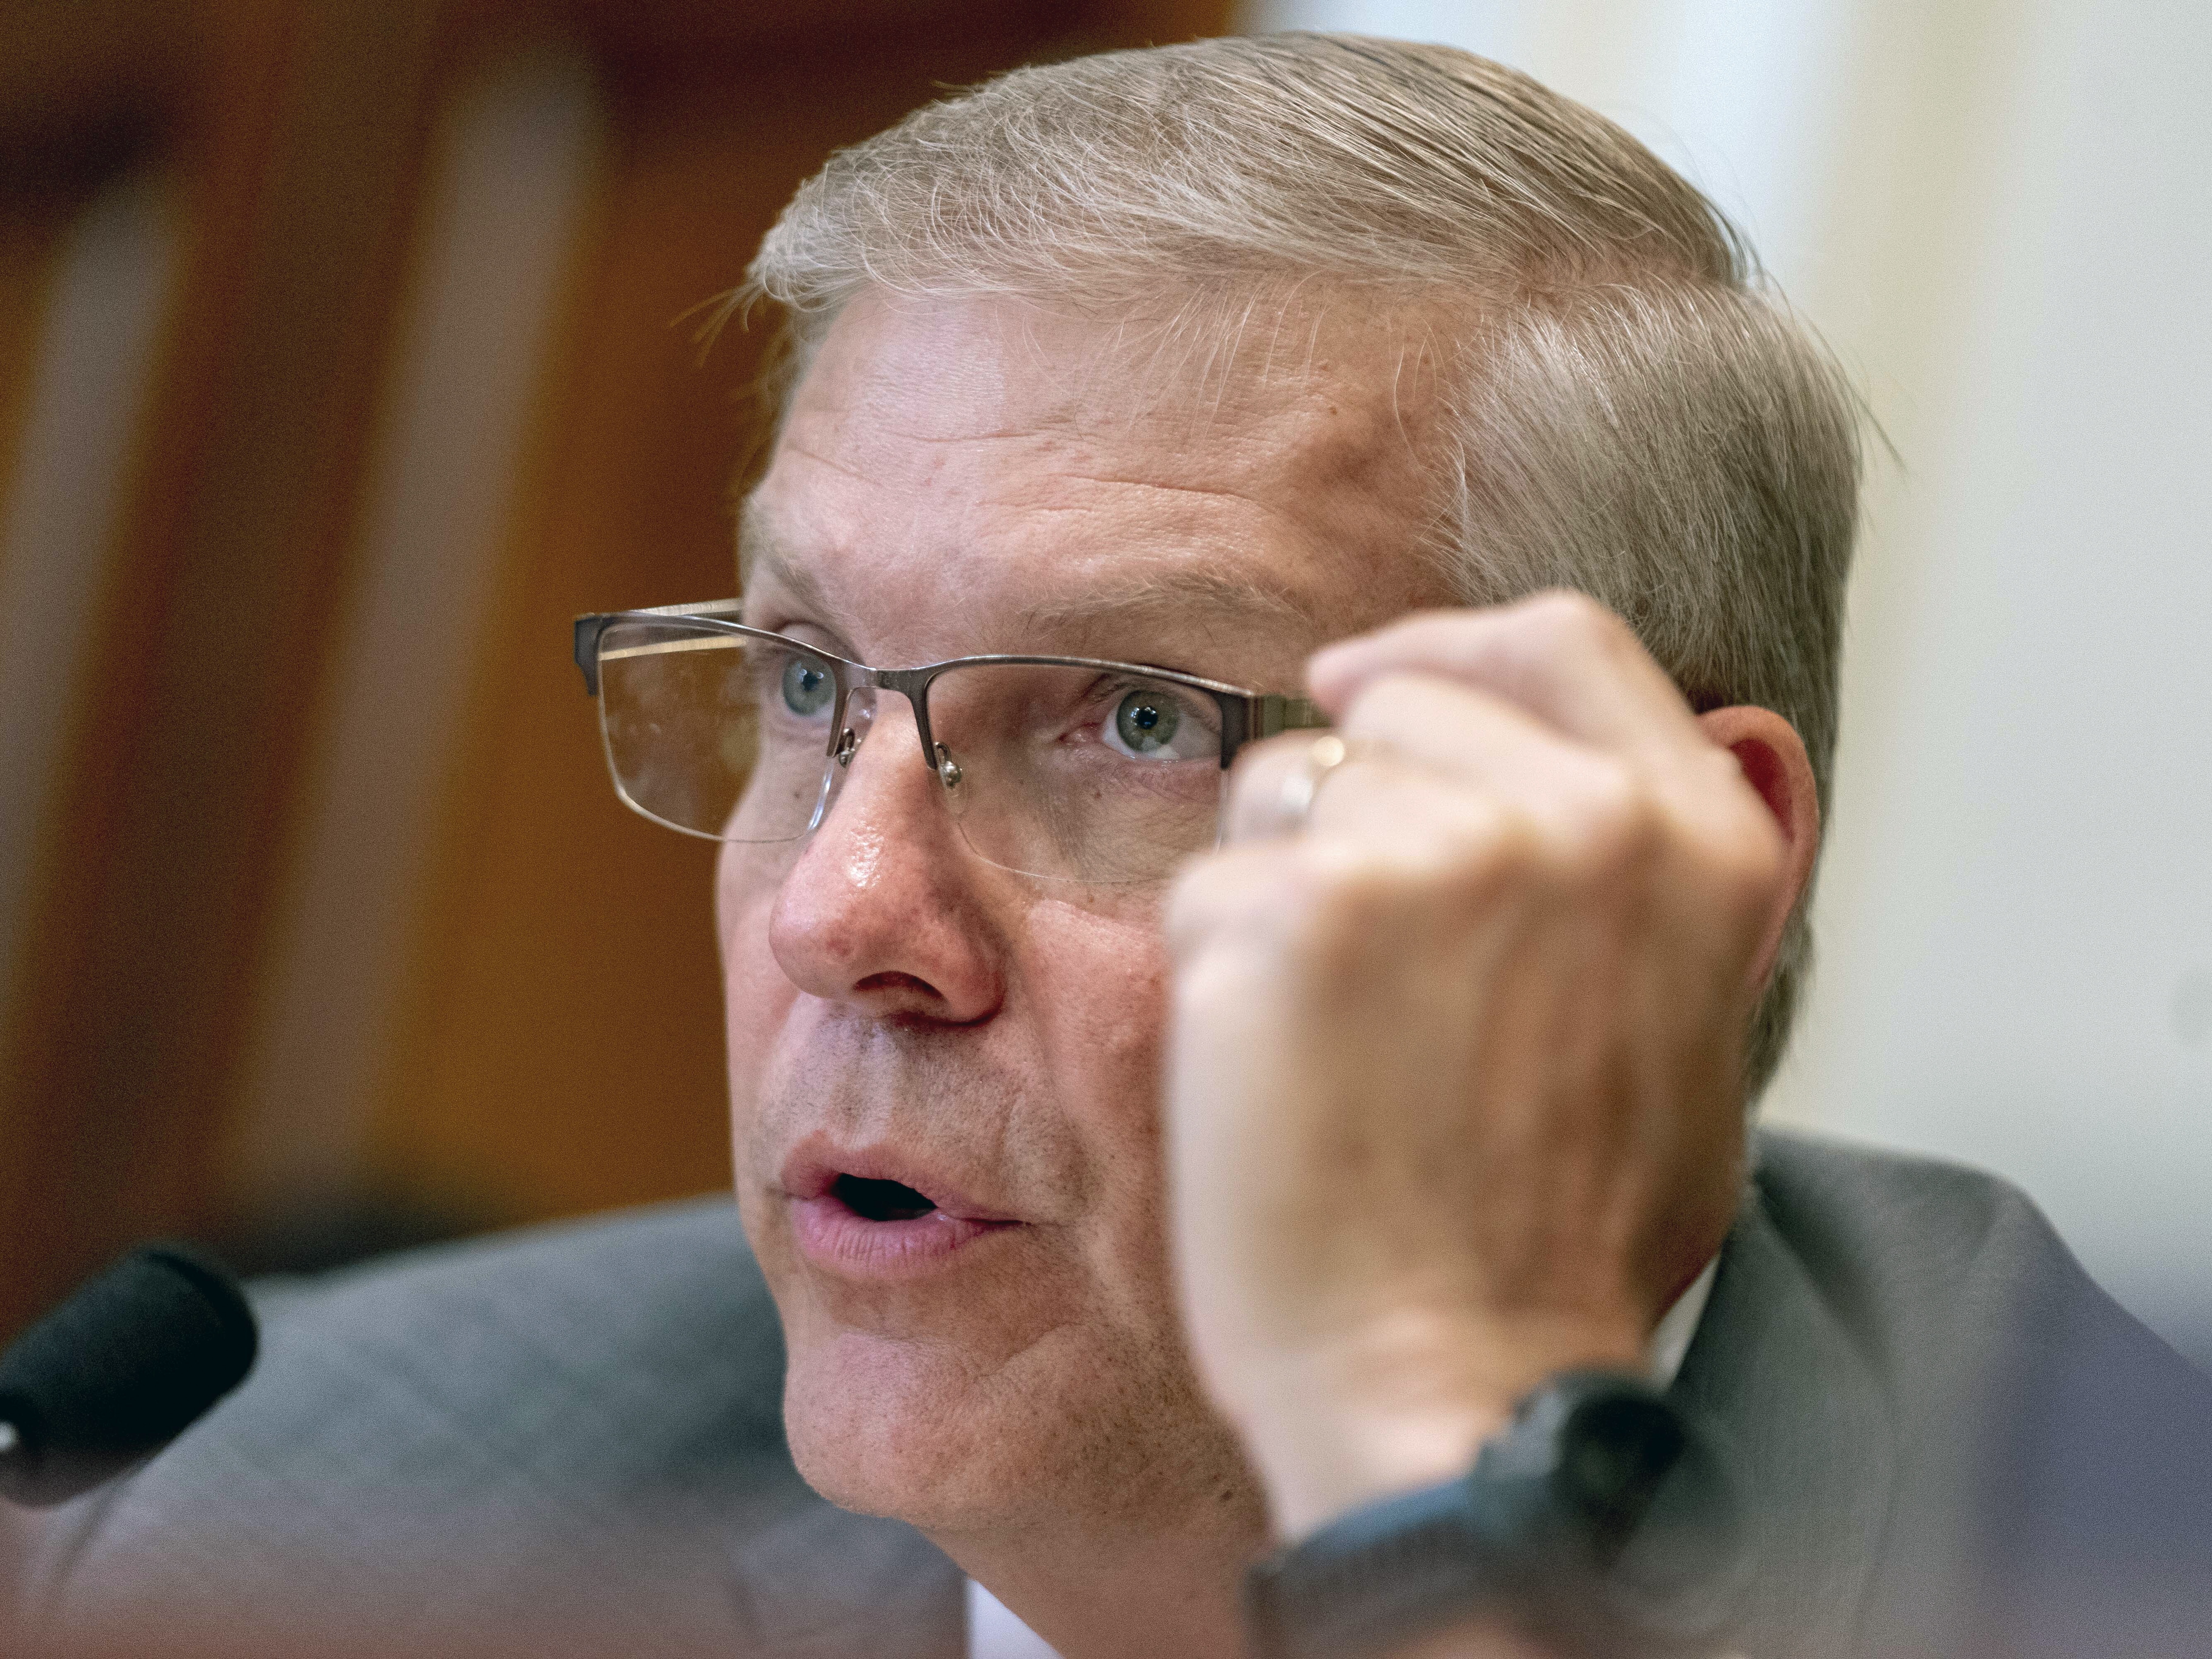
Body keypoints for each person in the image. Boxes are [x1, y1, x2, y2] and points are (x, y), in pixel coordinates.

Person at [6, 33, 2209, 1659]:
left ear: (1673, 871)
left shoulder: (2105, 1566)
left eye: (1140, 722)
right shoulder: (293, 1510)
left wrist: (1436, 1471)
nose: (842, 914)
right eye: (804, 682)